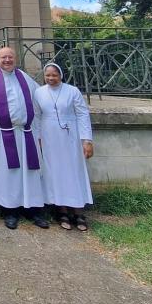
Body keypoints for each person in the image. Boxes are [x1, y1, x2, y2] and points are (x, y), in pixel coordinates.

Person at [0, 46, 48, 229]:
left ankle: (33, 210)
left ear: (15, 58)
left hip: (26, 133)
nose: (7, 60)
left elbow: (40, 97)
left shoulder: (24, 77)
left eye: (10, 57)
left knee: (29, 172)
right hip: (3, 134)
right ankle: (10, 211)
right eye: (3, 57)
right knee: (9, 174)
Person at [34, 62, 94, 231]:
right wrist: (37, 137)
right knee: (54, 173)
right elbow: (37, 117)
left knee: (73, 172)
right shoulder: (39, 93)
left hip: (70, 138)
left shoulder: (72, 91)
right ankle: (61, 210)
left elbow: (82, 115)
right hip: (49, 138)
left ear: (60, 75)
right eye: (48, 75)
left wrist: (87, 140)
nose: (51, 78)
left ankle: (78, 211)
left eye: (54, 75)